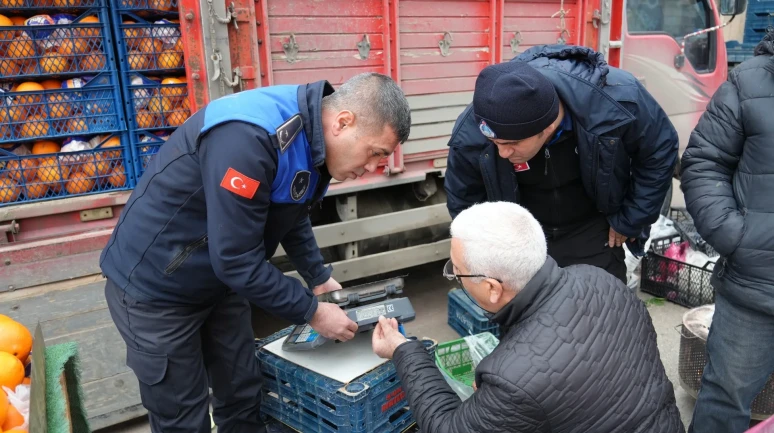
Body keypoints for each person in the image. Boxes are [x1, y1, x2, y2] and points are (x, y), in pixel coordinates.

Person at [99, 73, 411, 433]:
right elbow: (234, 259)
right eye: (375, 153)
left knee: (242, 390)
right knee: (183, 415)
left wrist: (319, 277)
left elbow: (292, 210)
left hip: (218, 282)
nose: (373, 168)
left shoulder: (313, 142)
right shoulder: (249, 137)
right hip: (156, 288)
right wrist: (311, 311)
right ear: (343, 122)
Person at [372, 201, 684, 433]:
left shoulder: (512, 380)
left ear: (493, 289)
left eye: (457, 271)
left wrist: (403, 349)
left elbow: (447, 428)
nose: (455, 275)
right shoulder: (599, 279)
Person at [443, 45, 679, 283]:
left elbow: (659, 152)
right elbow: (465, 204)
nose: (502, 152)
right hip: (522, 239)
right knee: (528, 316)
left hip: (593, 227)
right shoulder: (476, 128)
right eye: (494, 143)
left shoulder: (615, 99)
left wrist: (630, 220)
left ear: (547, 128)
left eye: (511, 143)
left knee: (601, 308)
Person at [680, 31, 774, 433]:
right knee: (724, 398)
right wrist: (735, 235)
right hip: (756, 288)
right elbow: (703, 162)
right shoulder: (750, 81)